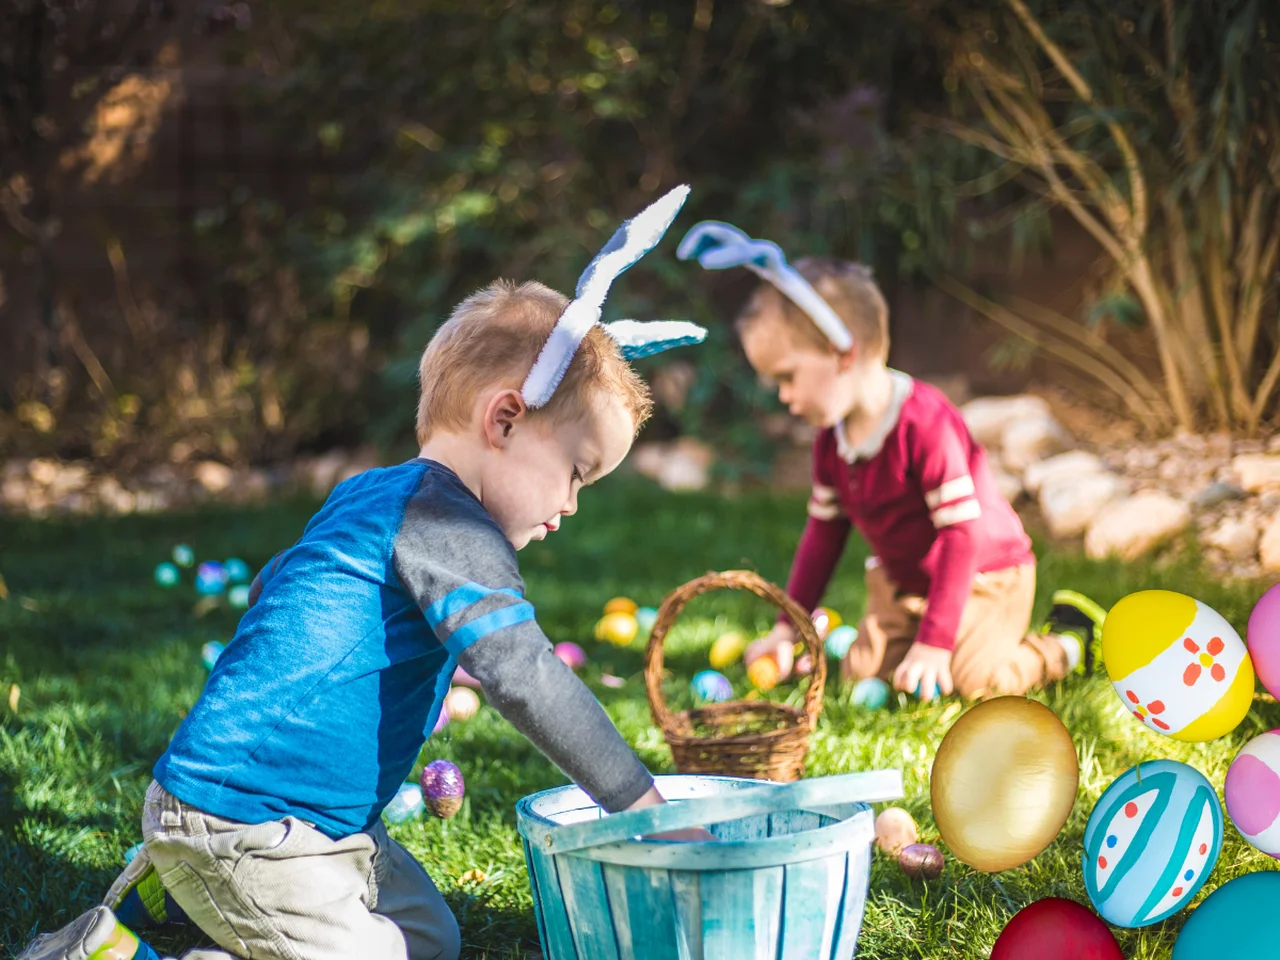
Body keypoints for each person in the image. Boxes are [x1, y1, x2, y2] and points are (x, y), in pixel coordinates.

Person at [20, 187, 712, 960]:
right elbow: (526, 673)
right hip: (253, 821)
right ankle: (115, 949)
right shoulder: (453, 526)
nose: (573, 505)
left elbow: (277, 587)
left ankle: (177, 894)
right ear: (506, 419)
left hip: (317, 821)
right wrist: (642, 807)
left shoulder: (372, 493)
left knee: (430, 939)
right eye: (576, 473)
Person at [677, 221, 1106, 702]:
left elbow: (963, 535)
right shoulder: (832, 441)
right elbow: (823, 537)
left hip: (985, 575)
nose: (784, 396)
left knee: (977, 683)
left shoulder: (924, 423)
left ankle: (1069, 641)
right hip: (904, 584)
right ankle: (911, 640)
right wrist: (787, 627)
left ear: (843, 354)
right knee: (863, 676)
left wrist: (936, 644)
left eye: (788, 377)